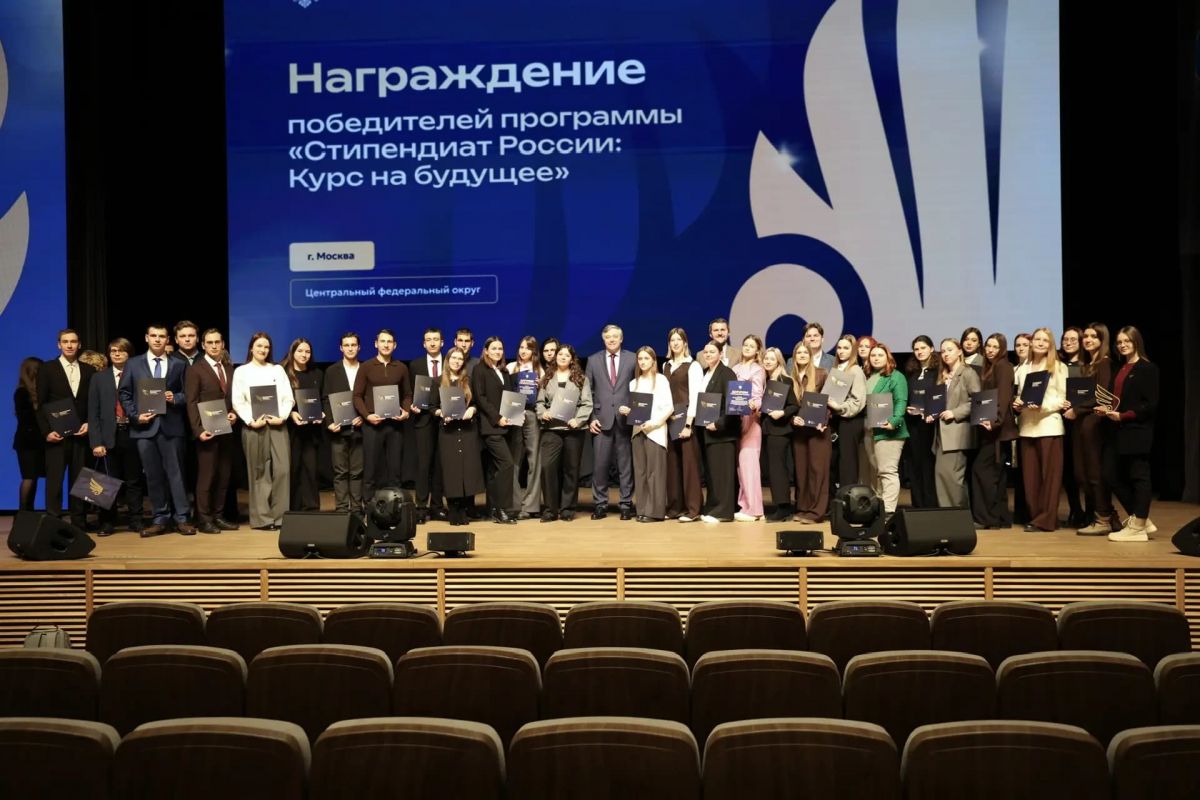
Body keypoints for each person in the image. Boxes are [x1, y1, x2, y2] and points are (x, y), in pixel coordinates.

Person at [119, 324, 193, 535]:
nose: (157, 339)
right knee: (153, 476)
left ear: (168, 339)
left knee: (177, 475)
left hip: (171, 427)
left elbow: (187, 394)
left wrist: (174, 398)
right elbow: (124, 393)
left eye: (161, 336)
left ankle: (182, 518)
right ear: (146, 338)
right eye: (153, 336)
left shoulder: (179, 364)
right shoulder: (133, 364)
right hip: (145, 428)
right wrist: (135, 416)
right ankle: (160, 518)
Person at [231, 332, 294, 530]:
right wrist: (251, 421)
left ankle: (281, 517)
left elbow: (288, 398)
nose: (263, 350)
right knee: (259, 471)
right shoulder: (241, 371)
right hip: (254, 427)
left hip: (277, 425)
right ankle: (262, 519)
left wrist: (282, 417)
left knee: (283, 470)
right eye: (259, 346)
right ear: (251, 348)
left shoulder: (277, 370)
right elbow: (237, 400)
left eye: (266, 347)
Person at [1102, 326, 1160, 542]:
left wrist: (1124, 415)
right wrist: (1106, 409)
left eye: (1127, 341)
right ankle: (1141, 519)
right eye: (1119, 342)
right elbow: (1115, 398)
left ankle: (1138, 525)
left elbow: (1150, 404)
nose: (1122, 345)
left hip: (1136, 430)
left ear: (1137, 342)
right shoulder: (1120, 368)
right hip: (1116, 431)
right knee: (1110, 475)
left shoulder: (1147, 368)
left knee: (1139, 476)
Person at [38, 330, 95, 530]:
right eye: (65, 342)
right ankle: (53, 523)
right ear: (59, 345)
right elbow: (40, 403)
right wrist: (46, 432)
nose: (69, 345)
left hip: (81, 434)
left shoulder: (89, 370)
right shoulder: (47, 368)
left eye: (73, 341)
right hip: (57, 435)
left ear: (79, 344)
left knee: (81, 480)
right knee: (55, 480)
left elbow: (92, 402)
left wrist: (89, 423)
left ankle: (79, 522)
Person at [1013, 327, 1068, 531]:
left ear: (1050, 344)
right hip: (1027, 427)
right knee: (1031, 478)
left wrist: (1042, 406)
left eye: (1045, 340)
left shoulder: (1059, 367)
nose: (1041, 343)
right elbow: (1019, 395)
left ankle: (1047, 520)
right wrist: (1017, 404)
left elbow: (1063, 399)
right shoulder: (1022, 369)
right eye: (1037, 339)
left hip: (1049, 426)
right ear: (1032, 342)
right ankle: (1036, 518)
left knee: (1050, 478)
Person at [184, 329, 239, 533]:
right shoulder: (195, 369)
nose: (214, 346)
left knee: (223, 476)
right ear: (203, 345)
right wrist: (198, 430)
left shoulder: (229, 369)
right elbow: (191, 402)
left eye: (217, 342)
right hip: (207, 432)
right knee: (206, 477)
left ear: (223, 344)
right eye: (210, 342)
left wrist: (234, 413)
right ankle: (204, 519)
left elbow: (234, 398)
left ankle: (218, 515)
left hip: (227, 430)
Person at [89, 339, 145, 535]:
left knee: (134, 480)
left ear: (130, 354)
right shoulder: (99, 378)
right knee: (105, 480)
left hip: (133, 432)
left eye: (121, 351)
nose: (117, 354)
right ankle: (106, 521)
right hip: (108, 436)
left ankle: (136, 519)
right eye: (113, 351)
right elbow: (93, 413)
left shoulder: (139, 375)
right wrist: (96, 442)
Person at [537, 343, 593, 521]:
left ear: (572, 359)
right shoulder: (547, 377)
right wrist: (542, 413)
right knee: (547, 468)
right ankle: (550, 510)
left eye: (567, 355)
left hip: (573, 429)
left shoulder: (581, 379)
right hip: (551, 429)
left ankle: (567, 509)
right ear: (555, 356)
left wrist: (579, 419)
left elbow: (587, 403)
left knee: (571, 469)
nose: (563, 357)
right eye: (560, 354)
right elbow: (540, 402)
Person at [586, 324, 637, 520]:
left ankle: (625, 504)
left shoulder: (633, 358)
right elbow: (588, 392)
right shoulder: (593, 360)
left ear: (621, 339)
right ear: (603, 339)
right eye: (608, 337)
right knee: (600, 466)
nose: (612, 339)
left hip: (625, 420)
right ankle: (600, 504)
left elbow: (638, 388)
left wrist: (634, 411)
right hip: (601, 421)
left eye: (615, 336)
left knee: (626, 466)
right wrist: (591, 418)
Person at [353, 328, 412, 497]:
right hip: (372, 424)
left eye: (389, 342)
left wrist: (406, 411)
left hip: (394, 425)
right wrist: (367, 416)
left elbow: (407, 394)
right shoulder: (366, 367)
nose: (386, 345)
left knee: (395, 469)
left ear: (395, 345)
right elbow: (357, 396)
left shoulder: (401, 367)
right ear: (376, 344)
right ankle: (368, 505)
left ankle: (395, 504)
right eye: (383, 341)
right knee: (371, 468)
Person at [1072, 323, 1117, 535]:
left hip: (1094, 423)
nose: (1088, 340)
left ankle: (1103, 518)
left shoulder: (1104, 363)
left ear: (1102, 340)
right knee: (1083, 474)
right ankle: (1109, 516)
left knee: (1094, 472)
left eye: (1093, 336)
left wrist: (1077, 409)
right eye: (1086, 336)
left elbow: (1102, 396)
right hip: (1083, 423)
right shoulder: (1089, 364)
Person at [432, 347, 485, 525]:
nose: (456, 361)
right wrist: (441, 413)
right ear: (447, 360)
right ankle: (454, 510)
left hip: (468, 430)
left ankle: (465, 508)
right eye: (453, 358)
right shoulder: (438, 381)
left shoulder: (468, 380)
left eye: (460, 359)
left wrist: (472, 409)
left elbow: (477, 402)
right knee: (452, 471)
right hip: (448, 432)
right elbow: (432, 407)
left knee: (467, 470)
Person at [471, 336, 520, 524]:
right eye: (493, 348)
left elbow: (509, 398)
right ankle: (502, 509)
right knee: (507, 464)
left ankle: (492, 508)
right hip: (491, 427)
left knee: (494, 469)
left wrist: (515, 414)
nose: (497, 352)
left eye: (500, 349)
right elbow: (481, 398)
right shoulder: (479, 370)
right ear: (485, 350)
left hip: (506, 426)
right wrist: (497, 418)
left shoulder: (504, 371)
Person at [623, 346, 673, 522]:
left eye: (646, 358)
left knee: (655, 473)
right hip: (638, 431)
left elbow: (669, 407)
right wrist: (628, 411)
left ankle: (655, 512)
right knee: (641, 472)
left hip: (655, 432)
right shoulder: (633, 383)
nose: (643, 362)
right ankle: (642, 510)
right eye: (640, 359)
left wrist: (653, 423)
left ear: (653, 360)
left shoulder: (661, 380)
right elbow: (637, 409)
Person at [929, 338, 981, 510]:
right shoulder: (943, 375)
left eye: (950, 350)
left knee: (953, 479)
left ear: (959, 351)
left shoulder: (968, 373)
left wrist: (955, 413)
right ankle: (948, 515)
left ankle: (957, 516)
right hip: (942, 435)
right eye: (943, 351)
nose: (945, 354)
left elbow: (977, 400)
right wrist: (930, 413)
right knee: (942, 477)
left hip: (957, 433)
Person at [971, 333, 1017, 529]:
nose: (990, 350)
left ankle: (986, 518)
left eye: (995, 347)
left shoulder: (1003, 366)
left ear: (1002, 349)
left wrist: (995, 421)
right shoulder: (989, 367)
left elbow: (1004, 396)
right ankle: (1000, 518)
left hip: (998, 430)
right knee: (996, 474)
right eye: (988, 346)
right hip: (989, 429)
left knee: (982, 471)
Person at [695, 341, 740, 523]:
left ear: (721, 354)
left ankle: (724, 512)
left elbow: (734, 403)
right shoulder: (706, 373)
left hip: (723, 433)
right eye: (705, 352)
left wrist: (719, 424)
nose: (708, 354)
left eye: (712, 351)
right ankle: (714, 507)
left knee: (723, 474)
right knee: (713, 473)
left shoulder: (727, 373)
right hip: (707, 432)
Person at [322, 332, 365, 514]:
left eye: (353, 345)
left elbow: (369, 398)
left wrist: (364, 416)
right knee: (340, 472)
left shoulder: (365, 369)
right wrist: (329, 422)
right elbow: (326, 398)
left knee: (357, 471)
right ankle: (341, 509)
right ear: (341, 348)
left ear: (359, 347)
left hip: (360, 428)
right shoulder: (332, 371)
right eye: (346, 345)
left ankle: (356, 508)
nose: (350, 348)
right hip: (338, 429)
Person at [863, 343, 908, 516]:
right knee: (878, 471)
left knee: (888, 471)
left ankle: (888, 511)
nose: (876, 358)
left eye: (880, 355)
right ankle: (879, 507)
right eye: (873, 355)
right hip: (871, 430)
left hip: (889, 431)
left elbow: (901, 401)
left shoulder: (896, 376)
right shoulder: (869, 377)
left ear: (888, 358)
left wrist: (894, 421)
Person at [663, 328, 703, 522]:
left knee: (689, 466)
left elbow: (696, 396)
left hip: (686, 421)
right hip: (670, 421)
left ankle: (693, 509)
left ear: (685, 343)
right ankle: (675, 508)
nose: (676, 343)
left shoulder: (693, 366)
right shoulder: (666, 365)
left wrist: (688, 424)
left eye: (679, 340)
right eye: (672, 340)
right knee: (673, 466)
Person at [789, 343, 831, 522]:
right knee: (802, 471)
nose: (802, 355)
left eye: (805, 352)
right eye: (798, 352)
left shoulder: (822, 374)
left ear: (810, 355)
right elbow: (788, 405)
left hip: (818, 430)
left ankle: (817, 512)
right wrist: (792, 419)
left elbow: (829, 402)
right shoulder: (790, 377)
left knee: (817, 471)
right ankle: (803, 508)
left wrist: (823, 421)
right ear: (794, 356)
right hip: (799, 431)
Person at [408, 327, 446, 523]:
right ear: (424, 344)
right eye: (429, 340)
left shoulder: (450, 362)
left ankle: (437, 506)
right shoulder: (415, 365)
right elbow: (409, 391)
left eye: (436, 339)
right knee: (423, 465)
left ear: (442, 342)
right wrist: (411, 405)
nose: (432, 342)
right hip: (422, 419)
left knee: (440, 465)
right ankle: (421, 507)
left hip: (444, 419)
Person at [281, 337, 323, 512]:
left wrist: (321, 413)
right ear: (292, 352)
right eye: (300, 351)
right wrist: (291, 414)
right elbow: (280, 401)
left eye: (307, 351)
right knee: (293, 468)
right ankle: (294, 508)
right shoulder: (283, 373)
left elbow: (321, 399)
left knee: (311, 469)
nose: (304, 355)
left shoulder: (317, 374)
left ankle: (311, 508)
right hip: (291, 429)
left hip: (312, 430)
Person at [760, 347, 799, 521]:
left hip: (780, 431)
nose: (768, 361)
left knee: (778, 469)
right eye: (766, 358)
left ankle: (784, 507)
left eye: (771, 359)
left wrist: (782, 413)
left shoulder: (785, 380)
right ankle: (780, 505)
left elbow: (794, 405)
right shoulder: (766, 380)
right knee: (772, 469)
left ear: (778, 361)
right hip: (768, 430)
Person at [507, 335, 544, 519]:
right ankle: (513, 504)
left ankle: (530, 506)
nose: (523, 351)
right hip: (514, 413)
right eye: (521, 347)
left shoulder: (540, 370)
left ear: (534, 351)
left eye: (528, 348)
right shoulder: (510, 367)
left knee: (534, 460)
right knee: (514, 459)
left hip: (532, 413)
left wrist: (540, 385)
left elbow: (544, 396)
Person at [732, 334, 766, 521]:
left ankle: (755, 510)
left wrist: (755, 404)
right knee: (741, 467)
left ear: (757, 350)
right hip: (735, 420)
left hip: (750, 421)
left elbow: (758, 394)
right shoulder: (735, 368)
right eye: (745, 344)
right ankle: (745, 506)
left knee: (749, 465)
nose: (747, 348)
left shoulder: (758, 370)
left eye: (751, 346)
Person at [827, 334, 866, 493]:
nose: (841, 351)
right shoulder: (836, 369)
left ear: (853, 350)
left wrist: (839, 407)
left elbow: (858, 402)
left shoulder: (855, 370)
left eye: (846, 348)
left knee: (848, 462)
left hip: (851, 421)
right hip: (837, 421)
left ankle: (848, 497)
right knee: (837, 461)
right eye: (839, 348)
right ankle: (838, 498)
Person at [903, 335, 939, 508]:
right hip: (913, 424)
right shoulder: (912, 372)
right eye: (916, 349)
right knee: (914, 464)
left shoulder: (938, 372)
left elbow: (941, 398)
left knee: (928, 465)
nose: (919, 352)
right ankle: (917, 505)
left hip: (931, 424)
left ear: (931, 349)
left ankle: (930, 506)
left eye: (923, 348)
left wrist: (927, 411)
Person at [1058, 327, 1087, 527]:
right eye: (1065, 339)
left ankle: (1091, 512)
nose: (1068, 343)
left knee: (1082, 470)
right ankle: (1075, 510)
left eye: (1073, 339)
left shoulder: (1087, 366)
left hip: (1082, 422)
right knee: (1068, 470)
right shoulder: (1058, 366)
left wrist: (1076, 408)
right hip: (1063, 422)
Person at [13, 357, 44, 512]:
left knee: (33, 477)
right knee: (29, 477)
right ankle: (23, 514)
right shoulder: (22, 392)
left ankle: (29, 513)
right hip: (27, 442)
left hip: (37, 441)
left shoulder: (39, 391)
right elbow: (26, 419)